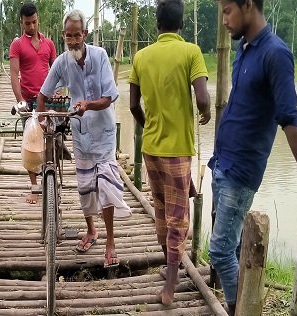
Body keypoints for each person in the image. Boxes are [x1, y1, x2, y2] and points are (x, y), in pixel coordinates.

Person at [209, 0, 297, 314]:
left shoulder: (275, 54)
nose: (223, 20)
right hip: (222, 162)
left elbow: (290, 120)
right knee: (233, 247)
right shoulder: (245, 48)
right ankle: (241, 303)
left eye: (226, 11)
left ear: (248, 5)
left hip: (241, 170)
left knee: (219, 250)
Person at [128, 0, 210, 305]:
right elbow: (202, 97)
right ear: (182, 24)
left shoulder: (141, 56)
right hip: (177, 151)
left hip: (151, 147)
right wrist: (205, 113)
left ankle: (168, 269)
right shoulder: (191, 52)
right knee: (178, 218)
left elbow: (134, 105)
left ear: (157, 24)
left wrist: (147, 125)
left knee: (161, 211)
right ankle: (171, 285)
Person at [37, 9, 131, 268]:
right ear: (64, 36)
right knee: (86, 186)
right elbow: (43, 94)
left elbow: (109, 97)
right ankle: (92, 230)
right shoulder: (62, 62)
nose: (73, 41)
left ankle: (110, 240)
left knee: (105, 185)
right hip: (79, 131)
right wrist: (41, 118)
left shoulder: (100, 56)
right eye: (68, 36)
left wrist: (87, 104)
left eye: (77, 35)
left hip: (103, 130)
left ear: (85, 34)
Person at [9, 2, 58, 204]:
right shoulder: (17, 45)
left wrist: (59, 92)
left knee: (51, 139)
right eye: (27, 23)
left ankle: (53, 181)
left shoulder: (49, 44)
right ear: (22, 22)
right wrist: (20, 100)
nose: (31, 27)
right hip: (29, 99)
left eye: (34, 22)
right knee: (31, 143)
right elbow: (13, 74)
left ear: (38, 20)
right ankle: (34, 188)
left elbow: (57, 71)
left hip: (48, 98)